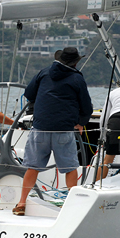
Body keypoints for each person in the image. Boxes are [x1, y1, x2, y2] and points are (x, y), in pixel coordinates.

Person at [14, 47, 93, 216]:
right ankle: (72, 207)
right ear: (76, 62)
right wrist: (81, 123)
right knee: (70, 168)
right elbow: (86, 106)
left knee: (32, 168)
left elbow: (28, 93)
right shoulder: (77, 78)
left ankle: (21, 203)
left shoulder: (44, 72)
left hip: (40, 128)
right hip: (63, 130)